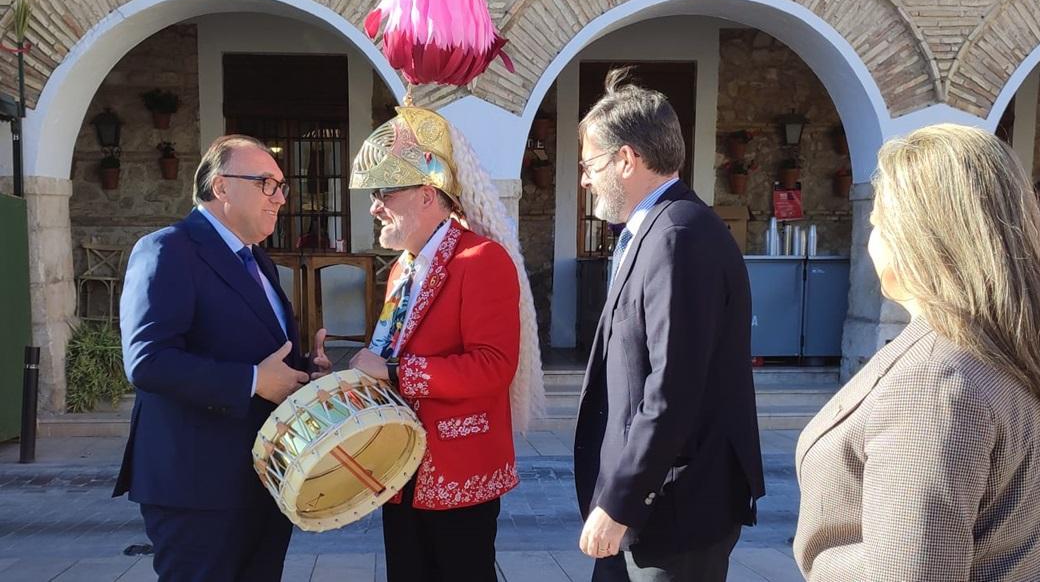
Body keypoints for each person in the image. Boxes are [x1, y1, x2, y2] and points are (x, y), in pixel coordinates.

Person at [793, 124, 1040, 581]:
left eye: (876, 223)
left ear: (916, 236)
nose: (872, 240)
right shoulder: (997, 345)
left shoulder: (936, 382)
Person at [573, 69, 765, 582]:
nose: (584, 178)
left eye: (589, 164)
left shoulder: (679, 234)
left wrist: (620, 501)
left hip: (673, 509)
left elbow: (672, 388)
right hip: (649, 505)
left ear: (627, 159)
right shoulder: (655, 229)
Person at [114, 134, 332, 581]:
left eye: (282, 187)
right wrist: (253, 381)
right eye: (266, 184)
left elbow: (259, 352)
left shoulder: (260, 261)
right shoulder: (167, 249)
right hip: (196, 484)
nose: (280, 198)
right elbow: (148, 361)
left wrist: (305, 372)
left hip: (263, 476)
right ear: (221, 186)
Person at [345, 106, 543, 582]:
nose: (374, 206)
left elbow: (493, 366)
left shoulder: (482, 259)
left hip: (459, 471)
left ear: (428, 195)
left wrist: (395, 373)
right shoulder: (401, 266)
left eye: (384, 193)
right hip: (399, 470)